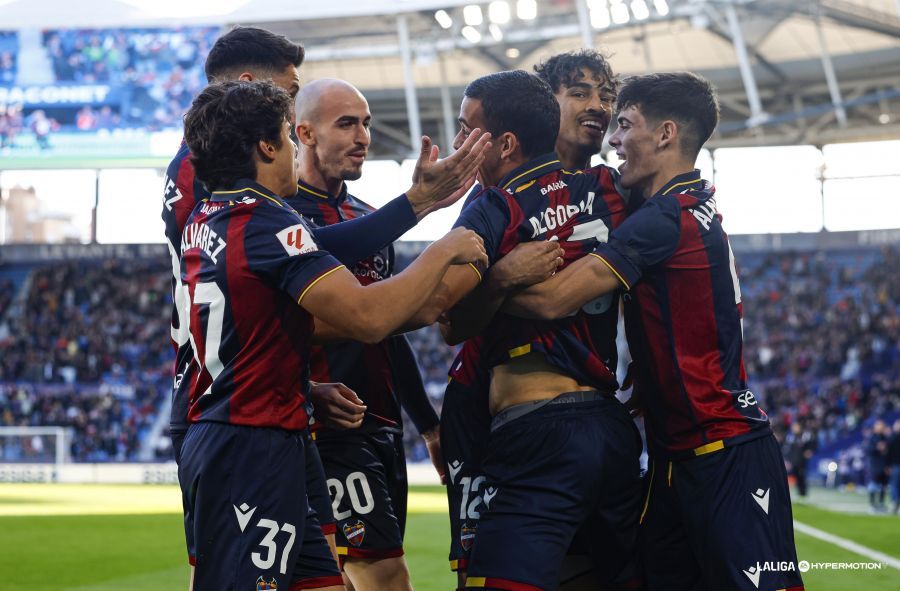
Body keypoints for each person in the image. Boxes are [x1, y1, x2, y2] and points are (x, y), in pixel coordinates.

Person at [162, 26, 488, 581]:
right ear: (268, 138)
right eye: (290, 118)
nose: (295, 136)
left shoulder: (210, 211)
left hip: (279, 415)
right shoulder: (258, 212)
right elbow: (367, 316)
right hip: (248, 433)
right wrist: (442, 241)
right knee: (371, 573)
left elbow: (252, 309)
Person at [505, 72, 804, 591]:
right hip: (678, 456)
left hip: (722, 454)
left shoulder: (663, 218)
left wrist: (484, 287)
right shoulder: (692, 203)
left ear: (665, 134)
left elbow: (554, 300)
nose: (613, 141)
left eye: (624, 124)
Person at [418, 70, 642, 591]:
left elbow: (447, 319)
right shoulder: (611, 191)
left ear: (507, 143)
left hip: (536, 429)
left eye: (466, 130)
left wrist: (495, 283)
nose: (457, 144)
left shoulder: (497, 204)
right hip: (610, 428)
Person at [287, 78, 445, 591]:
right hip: (328, 432)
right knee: (384, 578)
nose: (363, 136)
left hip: (382, 428)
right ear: (304, 132)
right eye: (346, 123)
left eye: (367, 123)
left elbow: (388, 327)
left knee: (355, 578)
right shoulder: (282, 221)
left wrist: (427, 424)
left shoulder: (369, 220)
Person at [783, 421, 815, 498]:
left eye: (796, 427)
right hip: (793, 460)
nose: (794, 428)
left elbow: (811, 445)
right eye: (793, 427)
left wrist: (809, 450)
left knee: (802, 476)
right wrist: (787, 460)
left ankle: (803, 492)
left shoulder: (805, 436)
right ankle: (800, 492)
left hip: (802, 461)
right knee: (796, 476)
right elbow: (787, 449)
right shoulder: (790, 437)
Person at [865, 419, 889, 512]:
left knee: (883, 485)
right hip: (875, 465)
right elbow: (867, 449)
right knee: (873, 484)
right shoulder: (872, 437)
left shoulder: (885, 437)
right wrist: (877, 448)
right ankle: (872, 504)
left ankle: (881, 503)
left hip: (884, 465)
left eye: (882, 425)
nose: (881, 427)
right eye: (879, 425)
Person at [887, 418, 900, 515]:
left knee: (894, 486)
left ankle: (895, 501)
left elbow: (888, 453)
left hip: (895, 465)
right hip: (895, 465)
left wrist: (887, 465)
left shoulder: (892, 438)